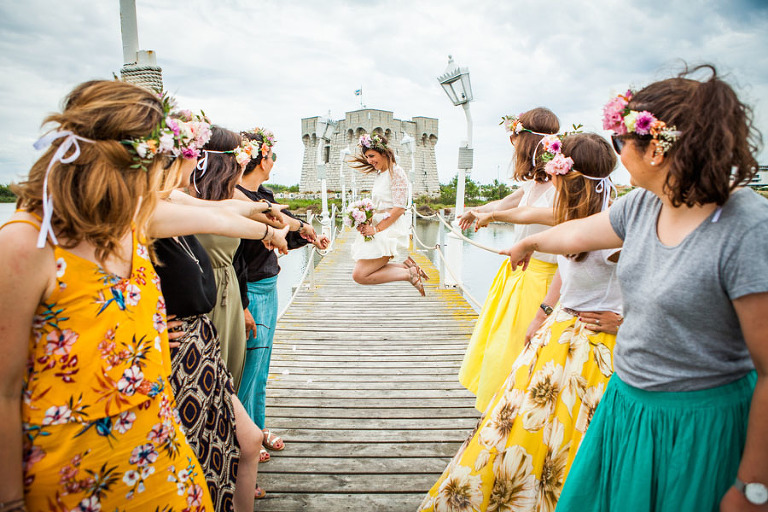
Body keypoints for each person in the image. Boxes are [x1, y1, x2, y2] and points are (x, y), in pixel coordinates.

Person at [504, 66, 768, 512]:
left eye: (617, 142)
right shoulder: (645, 203)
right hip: (627, 407)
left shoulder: (747, 229)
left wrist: (753, 487)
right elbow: (577, 234)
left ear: (656, 150)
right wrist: (529, 241)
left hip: (698, 425)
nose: (616, 154)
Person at [0, 80, 214, 511]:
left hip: (163, 461)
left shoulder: (130, 227)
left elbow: (216, 214)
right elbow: (3, 388)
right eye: (159, 165)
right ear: (124, 165)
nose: (163, 179)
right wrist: (8, 502)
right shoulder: (27, 243)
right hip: (75, 480)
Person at [419, 132, 624, 512]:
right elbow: (566, 267)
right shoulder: (574, 218)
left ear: (567, 177)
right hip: (559, 333)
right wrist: (543, 313)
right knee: (520, 429)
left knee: (573, 439)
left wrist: (625, 320)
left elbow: (652, 286)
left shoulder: (615, 225)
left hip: (599, 345)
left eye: (555, 173)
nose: (550, 179)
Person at [156, 125, 290, 509]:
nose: (192, 161)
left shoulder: (169, 197)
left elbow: (222, 210)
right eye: (187, 153)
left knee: (241, 440)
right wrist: (268, 229)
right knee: (204, 447)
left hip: (201, 341)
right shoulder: (152, 204)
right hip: (185, 347)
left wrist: (269, 214)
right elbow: (217, 220)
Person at [233, 127, 329, 463]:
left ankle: (256, 429)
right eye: (271, 156)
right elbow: (234, 257)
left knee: (262, 368)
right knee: (249, 368)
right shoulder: (235, 196)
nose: (273, 161)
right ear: (260, 159)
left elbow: (286, 226)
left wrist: (309, 236)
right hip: (252, 290)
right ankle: (245, 439)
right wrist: (243, 303)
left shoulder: (267, 194)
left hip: (269, 286)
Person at [457, 108, 561, 412]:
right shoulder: (535, 183)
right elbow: (507, 203)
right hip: (518, 274)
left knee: (517, 348)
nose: (513, 149)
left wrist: (492, 215)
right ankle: (498, 410)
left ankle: (513, 410)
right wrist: (478, 212)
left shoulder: (559, 183)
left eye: (514, 141)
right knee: (500, 345)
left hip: (540, 278)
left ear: (526, 142)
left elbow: (525, 214)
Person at [348, 133, 427, 295]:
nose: (369, 161)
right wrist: (365, 219)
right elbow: (380, 204)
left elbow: (399, 208)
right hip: (377, 227)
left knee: (360, 275)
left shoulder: (396, 172)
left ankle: (409, 273)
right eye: (367, 157)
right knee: (362, 273)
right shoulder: (380, 174)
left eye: (372, 156)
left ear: (383, 153)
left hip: (387, 230)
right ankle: (408, 267)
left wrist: (376, 230)